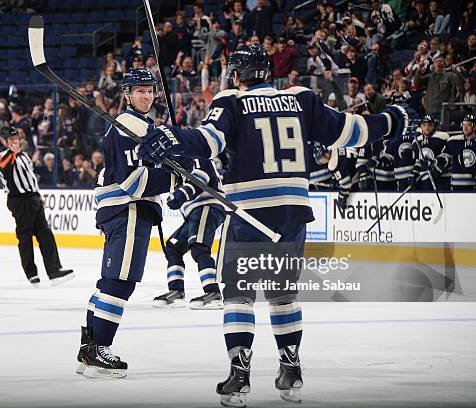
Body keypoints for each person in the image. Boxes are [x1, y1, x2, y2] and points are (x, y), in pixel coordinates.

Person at [136, 44, 416, 407]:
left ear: (236, 76)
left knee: (239, 295)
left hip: (250, 214)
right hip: (293, 213)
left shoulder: (231, 103)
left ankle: (240, 372)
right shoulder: (302, 99)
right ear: (267, 73)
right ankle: (291, 369)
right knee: (283, 294)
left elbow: (208, 140)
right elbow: (352, 131)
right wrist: (394, 119)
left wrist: (172, 138)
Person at [76, 68, 177, 379]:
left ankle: (89, 349)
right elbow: (133, 182)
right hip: (129, 208)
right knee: (121, 280)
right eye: (140, 91)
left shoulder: (143, 126)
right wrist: (175, 176)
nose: (147, 95)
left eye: (150, 90)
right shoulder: (129, 126)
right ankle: (99, 350)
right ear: (127, 95)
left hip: (120, 211)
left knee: (109, 280)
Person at [0, 126, 74, 286]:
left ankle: (54, 271)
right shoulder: (3, 157)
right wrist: (14, 153)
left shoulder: (23, 156)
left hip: (33, 199)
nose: (15, 141)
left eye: (16, 138)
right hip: (19, 201)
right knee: (25, 238)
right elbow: (7, 171)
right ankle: (31, 274)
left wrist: (38, 195)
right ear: (4, 142)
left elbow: (30, 177)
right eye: (11, 140)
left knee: (45, 234)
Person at [152, 158, 225, 310]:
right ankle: (176, 292)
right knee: (173, 247)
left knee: (199, 247)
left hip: (207, 205)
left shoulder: (196, 151)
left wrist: (181, 195)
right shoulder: (172, 162)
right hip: (193, 212)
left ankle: (213, 293)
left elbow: (200, 176)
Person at [437, 114, 476, 191]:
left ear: (474, 127)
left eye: (468, 125)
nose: (465, 127)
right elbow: (445, 157)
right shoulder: (453, 141)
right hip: (456, 184)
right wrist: (436, 166)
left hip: (473, 187)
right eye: (463, 124)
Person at [410, 114, 449, 191]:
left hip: (442, 178)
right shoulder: (416, 141)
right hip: (425, 180)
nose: (427, 127)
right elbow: (418, 162)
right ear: (420, 126)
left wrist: (436, 169)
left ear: (434, 126)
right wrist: (414, 175)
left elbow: (446, 157)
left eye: (429, 125)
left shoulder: (442, 137)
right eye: (424, 125)